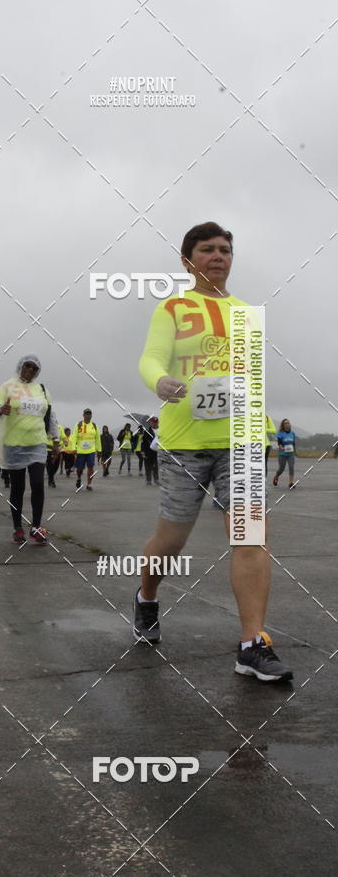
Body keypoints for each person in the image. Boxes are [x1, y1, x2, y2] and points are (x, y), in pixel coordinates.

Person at [134, 221, 292, 682]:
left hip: (241, 440)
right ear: (187, 261)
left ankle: (251, 645)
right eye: (207, 249)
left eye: (225, 249)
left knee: (249, 536)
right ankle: (146, 597)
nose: (218, 256)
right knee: (172, 541)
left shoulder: (246, 314)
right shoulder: (174, 307)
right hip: (186, 441)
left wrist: (259, 428)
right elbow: (150, 358)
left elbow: (249, 377)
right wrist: (159, 381)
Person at [0, 354, 59, 544]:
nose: (30, 370)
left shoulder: (41, 389)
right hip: (14, 444)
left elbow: (50, 415)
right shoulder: (8, 386)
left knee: (37, 485)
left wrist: (56, 440)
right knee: (17, 488)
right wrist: (0, 410)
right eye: (27, 366)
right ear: (20, 366)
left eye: (34, 368)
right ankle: (18, 527)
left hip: (37, 443)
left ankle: (36, 527)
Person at [72, 409, 101, 491]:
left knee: (90, 468)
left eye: (89, 414)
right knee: (79, 469)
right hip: (81, 451)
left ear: (91, 416)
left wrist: (99, 450)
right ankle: (78, 478)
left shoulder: (94, 426)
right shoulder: (79, 425)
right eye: (86, 414)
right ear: (83, 415)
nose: (88, 416)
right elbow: (74, 437)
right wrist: (74, 448)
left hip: (91, 451)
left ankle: (89, 484)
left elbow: (98, 438)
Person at [273, 418, 297, 489]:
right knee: (281, 469)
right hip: (282, 454)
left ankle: (291, 482)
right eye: (286, 423)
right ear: (283, 425)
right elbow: (279, 443)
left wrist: (295, 452)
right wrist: (281, 447)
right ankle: (276, 476)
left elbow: (293, 443)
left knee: (291, 467)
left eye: (288, 423)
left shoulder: (292, 433)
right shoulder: (280, 434)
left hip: (291, 454)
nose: (288, 424)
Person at [141, 417, 159, 486]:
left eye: (155, 422)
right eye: (152, 422)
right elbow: (143, 442)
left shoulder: (161, 430)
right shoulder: (147, 431)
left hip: (157, 451)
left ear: (157, 422)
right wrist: (142, 451)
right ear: (150, 423)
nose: (154, 423)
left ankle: (156, 479)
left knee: (155, 465)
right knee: (148, 466)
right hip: (148, 451)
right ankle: (148, 480)